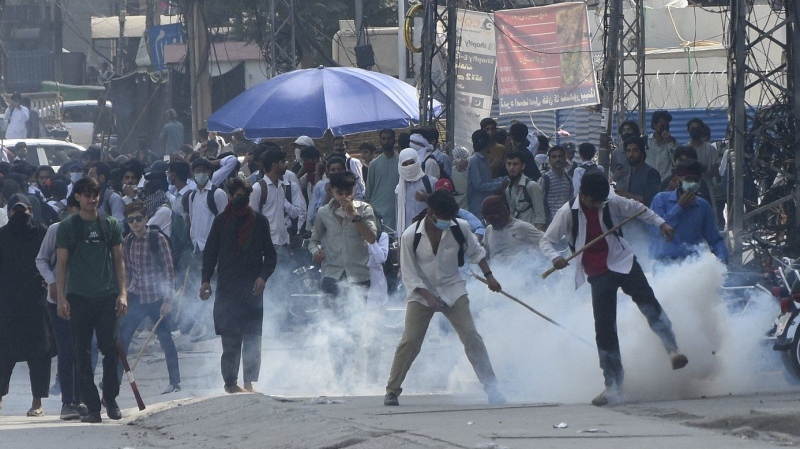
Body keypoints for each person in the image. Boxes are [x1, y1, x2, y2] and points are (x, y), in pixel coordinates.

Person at [540, 173, 688, 406]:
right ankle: (613, 385)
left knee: (649, 304)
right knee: (605, 328)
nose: (598, 205)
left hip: (624, 262)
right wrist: (555, 257)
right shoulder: (568, 212)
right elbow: (546, 241)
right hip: (598, 274)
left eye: (601, 201)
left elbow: (639, 209)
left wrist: (662, 224)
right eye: (594, 202)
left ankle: (672, 348)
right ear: (583, 195)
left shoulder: (611, 201)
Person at [384, 190, 506, 407]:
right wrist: (428, 296)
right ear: (430, 212)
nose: (446, 222)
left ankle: (492, 388)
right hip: (422, 293)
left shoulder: (460, 228)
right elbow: (409, 275)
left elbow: (476, 253)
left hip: (453, 288)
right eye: (442, 217)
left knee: (472, 337)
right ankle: (392, 390)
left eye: (449, 218)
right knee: (410, 341)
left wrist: (490, 277)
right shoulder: (410, 236)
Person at [55, 177, 127, 423]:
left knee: (111, 350)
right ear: (77, 197)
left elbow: (119, 262)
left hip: (106, 296)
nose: (91, 198)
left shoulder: (110, 224)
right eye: (86, 194)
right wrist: (61, 298)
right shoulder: (68, 227)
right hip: (78, 298)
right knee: (82, 354)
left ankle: (111, 399)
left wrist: (123, 293)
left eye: (94, 194)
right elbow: (61, 265)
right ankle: (93, 407)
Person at [200, 178, 277, 393]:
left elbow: (270, 255)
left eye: (241, 194)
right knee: (230, 337)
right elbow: (210, 253)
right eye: (233, 195)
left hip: (252, 290)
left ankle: (249, 382)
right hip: (227, 289)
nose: (236, 198)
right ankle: (231, 383)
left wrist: (263, 277)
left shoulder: (259, 222)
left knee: (252, 337)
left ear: (248, 195)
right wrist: (205, 280)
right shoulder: (221, 221)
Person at [36, 194, 90, 420]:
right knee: (67, 351)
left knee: (83, 351)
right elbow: (41, 259)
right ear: (69, 210)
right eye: (75, 210)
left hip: (86, 299)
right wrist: (52, 282)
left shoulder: (94, 230)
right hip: (59, 300)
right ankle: (68, 401)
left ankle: (81, 399)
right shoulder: (56, 230)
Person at [119, 201, 180, 394]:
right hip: (136, 295)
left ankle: (175, 382)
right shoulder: (127, 241)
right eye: (131, 220)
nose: (135, 223)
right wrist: (125, 294)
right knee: (123, 339)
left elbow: (169, 271)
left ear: (145, 219)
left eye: (138, 218)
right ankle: (115, 381)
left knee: (165, 339)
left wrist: (167, 300)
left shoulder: (158, 239)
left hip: (156, 297)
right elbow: (127, 270)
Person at [0, 194, 51, 417]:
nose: (20, 214)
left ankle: (37, 402)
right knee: (3, 353)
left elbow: (56, 257)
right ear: (9, 212)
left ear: (31, 210)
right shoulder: (2, 236)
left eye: (24, 210)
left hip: (36, 301)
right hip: (7, 302)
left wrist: (50, 280)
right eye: (16, 211)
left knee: (39, 353)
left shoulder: (43, 232)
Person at [308, 171, 377, 305]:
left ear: (354, 190)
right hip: (332, 275)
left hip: (359, 276)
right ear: (331, 190)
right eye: (339, 193)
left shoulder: (365, 210)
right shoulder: (323, 213)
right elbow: (314, 240)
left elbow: (372, 238)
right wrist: (316, 252)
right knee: (331, 321)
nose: (344, 197)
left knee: (357, 320)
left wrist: (355, 216)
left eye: (348, 193)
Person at [650, 160, 728, 264]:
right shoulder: (660, 200)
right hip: (665, 265)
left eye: (696, 180)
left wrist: (722, 257)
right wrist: (679, 207)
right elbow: (656, 231)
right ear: (678, 179)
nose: (692, 183)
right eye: (688, 179)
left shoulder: (702, 206)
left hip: (692, 265)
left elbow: (714, 239)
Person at [481, 195, 543, 262]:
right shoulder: (489, 230)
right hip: (496, 271)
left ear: (502, 213)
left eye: (492, 218)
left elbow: (546, 241)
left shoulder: (522, 227)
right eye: (486, 220)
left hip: (522, 270)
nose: (489, 222)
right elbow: (483, 255)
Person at [365, 129, 400, 232]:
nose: (386, 141)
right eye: (383, 139)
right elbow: (368, 193)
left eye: (389, 138)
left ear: (394, 140)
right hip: (378, 212)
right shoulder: (374, 164)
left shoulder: (402, 162)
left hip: (397, 211)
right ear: (380, 141)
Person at [396, 148, 437, 234]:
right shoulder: (399, 189)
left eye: (411, 163)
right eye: (405, 164)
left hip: (429, 233)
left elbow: (441, 206)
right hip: (408, 235)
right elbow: (398, 216)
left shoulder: (431, 182)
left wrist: (427, 198)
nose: (409, 166)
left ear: (417, 162)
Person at [467, 129, 506, 219]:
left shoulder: (484, 160)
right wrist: (500, 184)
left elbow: (487, 180)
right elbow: (479, 185)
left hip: (486, 206)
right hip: (477, 208)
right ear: (486, 143)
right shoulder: (474, 160)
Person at [613, 137, 661, 207]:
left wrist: (629, 196)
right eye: (628, 151)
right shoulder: (626, 172)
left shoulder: (651, 173)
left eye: (634, 151)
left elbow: (653, 200)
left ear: (642, 152)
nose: (631, 155)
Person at [504, 150, 546, 230]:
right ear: (506, 166)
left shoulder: (531, 186)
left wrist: (537, 239)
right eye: (509, 164)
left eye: (515, 164)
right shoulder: (508, 190)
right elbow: (512, 215)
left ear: (522, 166)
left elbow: (540, 217)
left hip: (532, 234)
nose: (511, 168)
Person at [538, 145, 573, 226]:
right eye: (554, 157)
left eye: (560, 156)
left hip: (566, 222)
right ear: (549, 160)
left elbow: (571, 201)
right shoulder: (544, 180)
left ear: (565, 159)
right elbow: (538, 205)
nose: (557, 159)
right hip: (550, 223)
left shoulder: (569, 180)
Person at [647, 110, 678, 181]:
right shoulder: (646, 141)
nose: (665, 128)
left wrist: (669, 142)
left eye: (667, 126)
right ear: (654, 126)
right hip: (649, 181)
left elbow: (676, 162)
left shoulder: (673, 141)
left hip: (666, 181)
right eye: (662, 126)